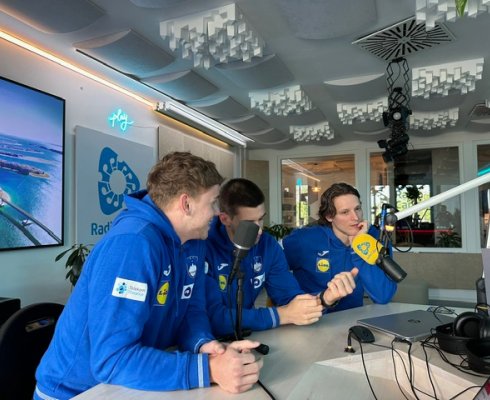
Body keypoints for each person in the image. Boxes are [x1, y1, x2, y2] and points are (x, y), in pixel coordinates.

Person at [34, 152, 263, 399]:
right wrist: (207, 369)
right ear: (186, 204)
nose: (217, 213)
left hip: (130, 384)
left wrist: (205, 345)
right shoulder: (132, 244)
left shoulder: (194, 240)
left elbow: (191, 309)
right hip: (77, 392)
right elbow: (112, 359)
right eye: (213, 202)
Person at [205, 178, 357, 337]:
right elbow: (212, 318)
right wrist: (280, 315)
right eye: (249, 222)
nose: (259, 230)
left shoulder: (267, 245)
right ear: (225, 219)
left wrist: (325, 298)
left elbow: (290, 299)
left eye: (261, 219)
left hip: (245, 336)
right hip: (204, 343)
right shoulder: (204, 245)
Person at [283, 182, 397, 313]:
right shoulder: (303, 239)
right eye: (345, 212)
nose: (356, 217)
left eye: (357, 209)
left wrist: (360, 247)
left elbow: (384, 296)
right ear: (329, 216)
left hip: (351, 318)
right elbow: (275, 275)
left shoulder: (375, 237)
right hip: (313, 318)